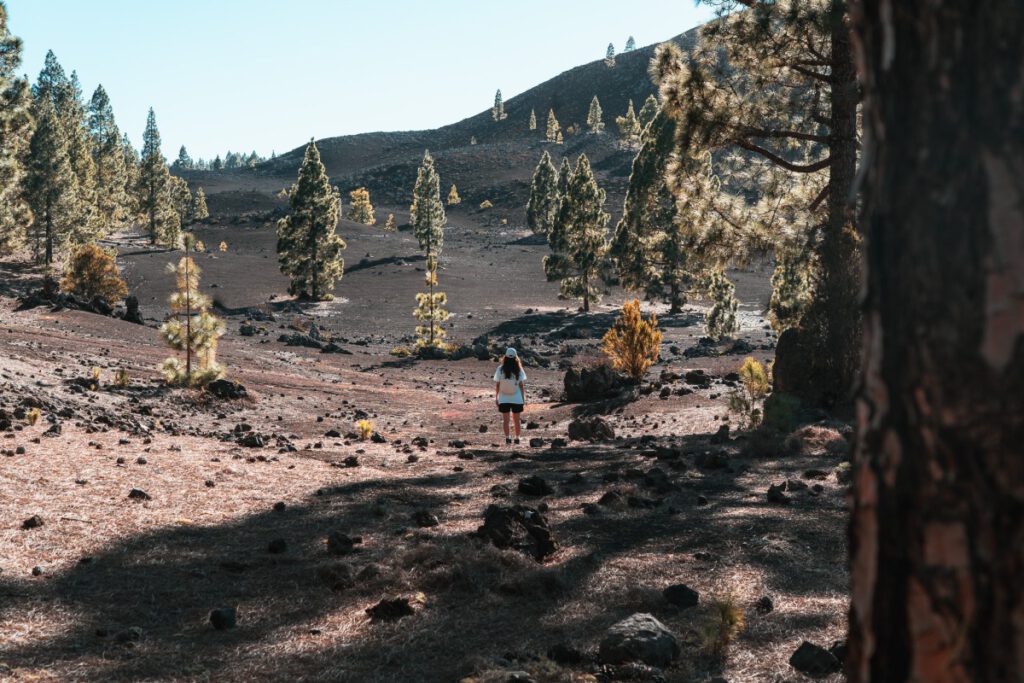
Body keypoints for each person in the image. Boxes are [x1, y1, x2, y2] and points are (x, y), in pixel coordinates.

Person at [493, 347, 527, 445]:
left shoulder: (500, 369)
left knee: (506, 420)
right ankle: (517, 438)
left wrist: (497, 397)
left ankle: (507, 438)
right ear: (516, 357)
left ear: (505, 357)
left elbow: (498, 384)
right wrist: (523, 397)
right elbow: (521, 385)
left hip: (504, 398)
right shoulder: (518, 369)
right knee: (517, 420)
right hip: (516, 398)